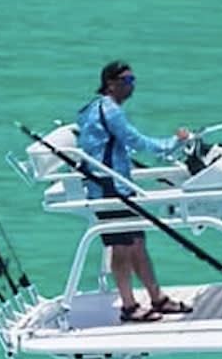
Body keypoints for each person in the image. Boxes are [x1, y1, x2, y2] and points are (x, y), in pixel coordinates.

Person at [76, 60, 193, 322]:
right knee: (121, 247)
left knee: (137, 243)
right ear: (110, 84)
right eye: (126, 81)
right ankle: (129, 306)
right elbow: (135, 141)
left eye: (133, 80)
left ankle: (157, 298)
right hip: (108, 189)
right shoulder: (110, 111)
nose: (132, 86)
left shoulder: (96, 108)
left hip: (121, 186)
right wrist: (173, 142)